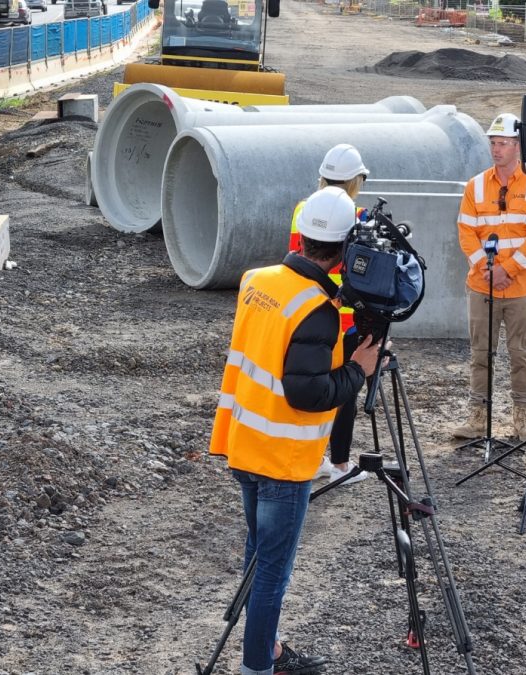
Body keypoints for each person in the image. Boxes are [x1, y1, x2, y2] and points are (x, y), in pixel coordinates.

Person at [211, 186, 383, 675]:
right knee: (271, 573)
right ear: (345, 248)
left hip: (244, 445)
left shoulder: (256, 280)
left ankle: (268, 650)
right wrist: (359, 371)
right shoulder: (317, 309)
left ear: (303, 234)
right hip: (283, 461)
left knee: (257, 557)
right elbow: (306, 391)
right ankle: (256, 667)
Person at [451, 112, 526, 440]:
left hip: (521, 287)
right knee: (480, 353)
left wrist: (506, 270)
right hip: (483, 286)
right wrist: (487, 269)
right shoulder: (475, 186)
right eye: (493, 143)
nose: (496, 150)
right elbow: (466, 232)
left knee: (521, 354)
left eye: (503, 144)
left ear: (517, 147)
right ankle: (478, 417)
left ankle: (522, 418)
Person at [289, 143, 371, 485]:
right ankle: (339, 465)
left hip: (306, 309)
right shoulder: (361, 217)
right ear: (356, 180)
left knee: (308, 386)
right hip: (347, 319)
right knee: (344, 391)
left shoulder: (302, 209)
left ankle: (313, 457)